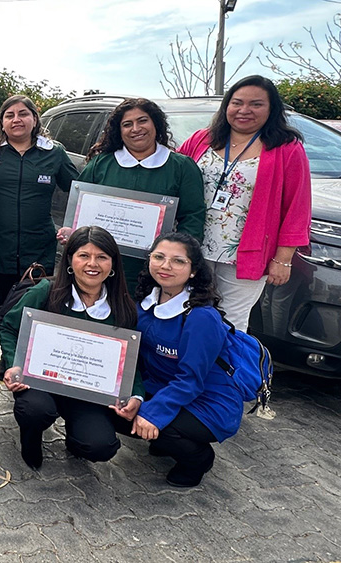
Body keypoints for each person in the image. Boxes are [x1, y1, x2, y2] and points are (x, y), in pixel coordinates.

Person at [0, 226, 141, 470]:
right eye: (83, 255)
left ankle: (76, 440)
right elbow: (9, 328)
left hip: (89, 392)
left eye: (102, 257)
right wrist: (15, 364)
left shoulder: (124, 308)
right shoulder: (46, 292)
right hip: (42, 383)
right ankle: (31, 438)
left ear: (113, 264)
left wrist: (136, 395)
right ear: (69, 260)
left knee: (100, 446)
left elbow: (132, 361)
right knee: (34, 410)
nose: (92, 264)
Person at [177, 75, 312, 331]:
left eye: (256, 104)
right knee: (186, 316)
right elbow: (170, 174)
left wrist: (283, 260)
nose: (244, 110)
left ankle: (225, 371)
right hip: (192, 248)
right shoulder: (201, 140)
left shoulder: (286, 149)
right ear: (226, 105)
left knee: (230, 323)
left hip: (244, 254)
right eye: (237, 102)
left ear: (272, 109)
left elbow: (297, 208)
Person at [0, 95, 79, 380]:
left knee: (34, 300)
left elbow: (81, 190)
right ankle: (9, 356)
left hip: (38, 245)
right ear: (2, 122)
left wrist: (72, 225)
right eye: (9, 115)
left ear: (35, 119)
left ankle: (34, 356)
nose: (16, 119)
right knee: (4, 299)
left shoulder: (53, 153)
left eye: (23, 114)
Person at [133, 232, 247, 487]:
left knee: (155, 423)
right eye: (159, 257)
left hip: (209, 401)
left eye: (178, 261)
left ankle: (198, 459)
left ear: (193, 270)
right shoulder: (146, 302)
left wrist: (153, 412)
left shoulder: (200, 318)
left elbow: (191, 380)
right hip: (164, 387)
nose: (165, 266)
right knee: (120, 410)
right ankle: (166, 438)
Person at [68, 98, 205, 291]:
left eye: (142, 121)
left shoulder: (182, 167)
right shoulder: (101, 164)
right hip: (101, 267)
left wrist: (176, 258)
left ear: (156, 124)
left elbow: (193, 217)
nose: (135, 128)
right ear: (119, 131)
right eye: (127, 124)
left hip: (156, 271)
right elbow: (79, 210)